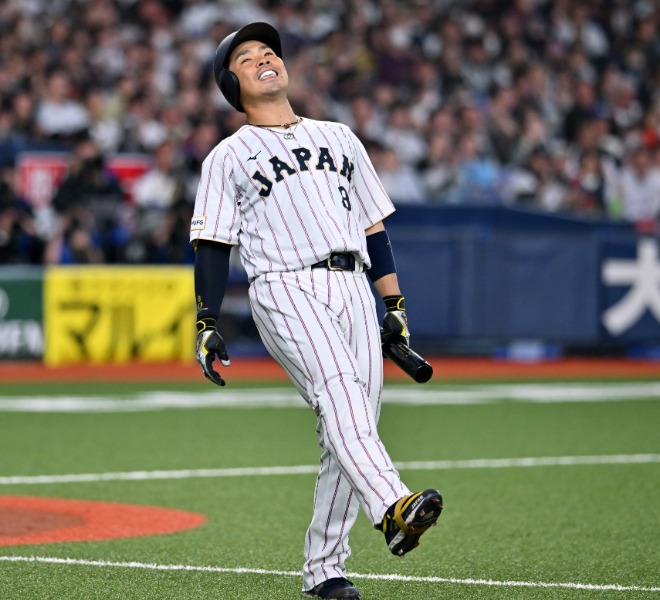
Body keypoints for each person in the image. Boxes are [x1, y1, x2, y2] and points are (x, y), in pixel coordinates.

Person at [189, 23, 443, 600]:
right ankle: (392, 505)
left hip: (354, 285)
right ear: (234, 85)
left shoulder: (340, 137)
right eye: (247, 58)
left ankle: (324, 569)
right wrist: (205, 322)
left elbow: (373, 225)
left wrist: (393, 303)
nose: (264, 59)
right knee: (340, 397)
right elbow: (212, 244)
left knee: (349, 429)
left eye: (268, 51)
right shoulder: (228, 157)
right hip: (284, 285)